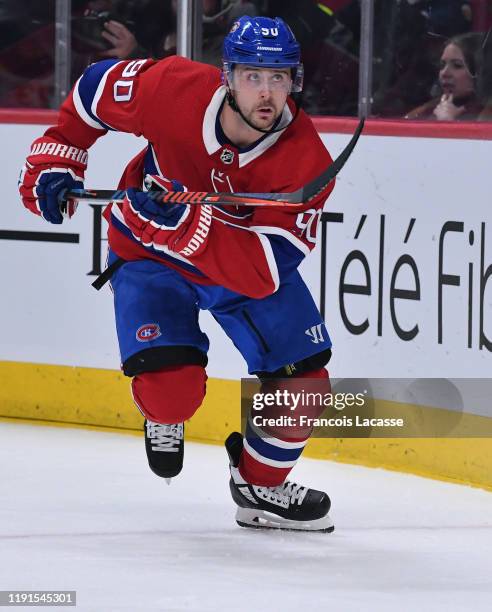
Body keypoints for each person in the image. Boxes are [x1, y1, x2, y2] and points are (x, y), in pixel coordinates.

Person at [18, 16, 336, 532]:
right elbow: (94, 89)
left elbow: (264, 273)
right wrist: (61, 153)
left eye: (279, 78)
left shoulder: (308, 160)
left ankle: (260, 486)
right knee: (173, 394)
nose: (267, 93)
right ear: (227, 76)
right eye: (254, 76)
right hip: (150, 257)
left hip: (238, 268)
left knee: (305, 386)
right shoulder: (172, 88)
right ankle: (162, 416)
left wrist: (190, 225)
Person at [405, 32, 485, 120]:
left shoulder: (486, 115)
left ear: (480, 71)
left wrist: (447, 123)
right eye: (442, 65)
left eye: (457, 65)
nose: (444, 73)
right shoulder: (427, 110)